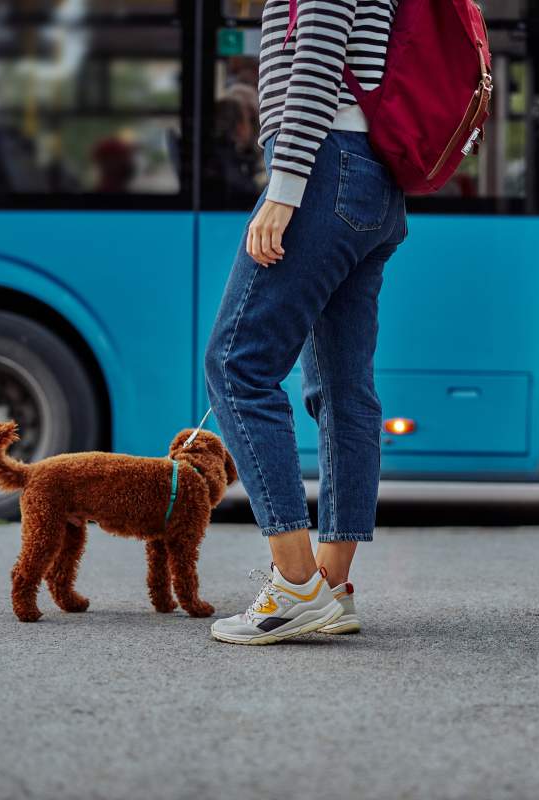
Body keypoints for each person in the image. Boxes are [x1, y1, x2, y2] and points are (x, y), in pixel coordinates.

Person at [203, 0, 406, 645]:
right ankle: (332, 584)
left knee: (237, 366)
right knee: (344, 390)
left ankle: (294, 587)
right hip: (376, 179)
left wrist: (283, 192)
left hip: (323, 169)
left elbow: (317, 62)